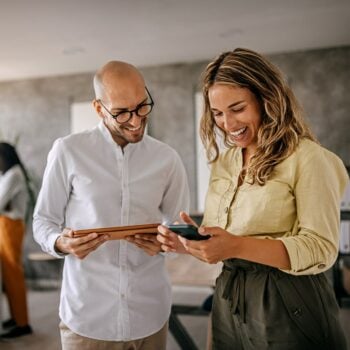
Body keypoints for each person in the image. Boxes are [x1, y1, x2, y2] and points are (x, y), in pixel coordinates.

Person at [157, 48, 349, 350]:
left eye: (237, 109)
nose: (227, 123)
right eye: (217, 113)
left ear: (267, 99)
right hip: (229, 296)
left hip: (289, 299)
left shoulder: (308, 158)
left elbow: (321, 248)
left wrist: (235, 245)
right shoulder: (225, 163)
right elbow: (222, 239)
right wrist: (187, 245)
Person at [33, 61, 189, 350]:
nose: (135, 120)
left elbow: (178, 227)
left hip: (150, 313)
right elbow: (43, 221)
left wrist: (171, 242)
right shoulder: (68, 151)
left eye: (142, 106)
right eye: (121, 112)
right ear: (98, 108)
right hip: (88, 317)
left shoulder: (167, 159)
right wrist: (61, 243)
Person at [0, 142, 34, 338]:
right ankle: (16, 317)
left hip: (10, 226)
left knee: (13, 273)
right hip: (6, 225)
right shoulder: (8, 174)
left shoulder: (13, 174)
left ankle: (22, 322)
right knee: (8, 273)